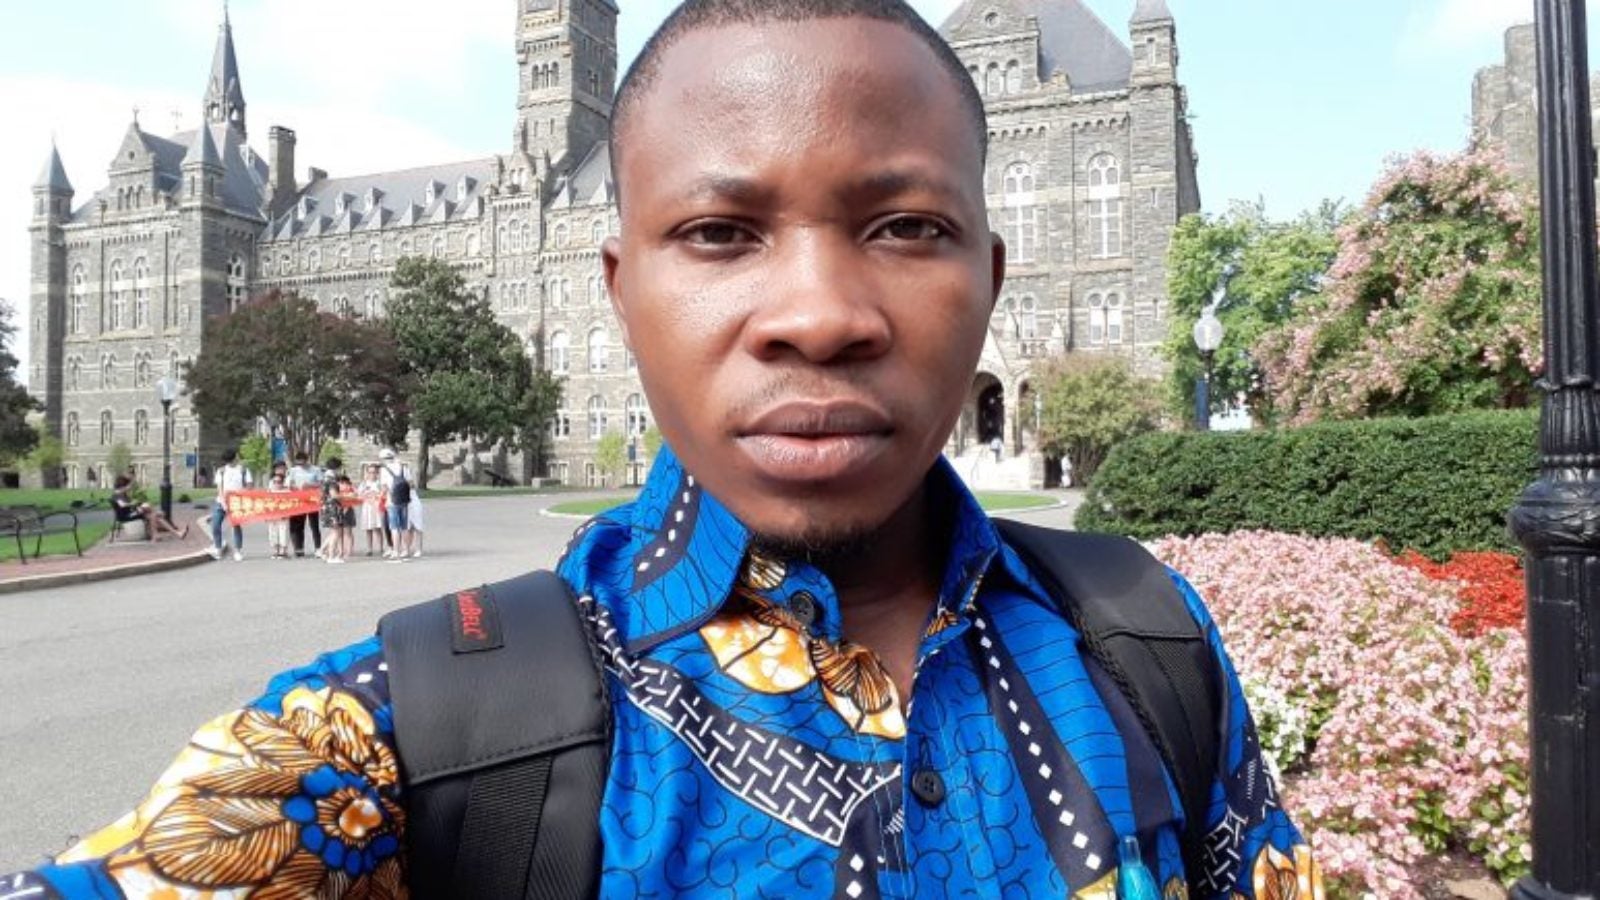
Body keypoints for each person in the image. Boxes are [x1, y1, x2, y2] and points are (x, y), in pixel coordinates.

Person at [6, 3, 1318, 897]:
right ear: (620, 287)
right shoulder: (421, 727)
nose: (817, 315)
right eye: (722, 232)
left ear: (990, 278)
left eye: (904, 225)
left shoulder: (1148, 647)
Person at [110, 475, 187, 541]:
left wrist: (137, 504)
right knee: (153, 513)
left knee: (156, 516)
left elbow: (129, 505)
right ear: (124, 486)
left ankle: (176, 533)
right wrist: (133, 504)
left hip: (131, 513)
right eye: (129, 485)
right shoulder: (116, 495)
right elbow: (122, 505)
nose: (130, 487)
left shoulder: (122, 494)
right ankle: (157, 534)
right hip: (126, 516)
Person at [207, 446, 250, 561]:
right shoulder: (221, 471)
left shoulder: (243, 470)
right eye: (237, 455)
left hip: (236, 502)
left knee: (236, 526)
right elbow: (220, 488)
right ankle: (218, 548)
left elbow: (249, 486)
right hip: (221, 502)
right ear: (234, 457)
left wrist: (242, 496)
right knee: (215, 524)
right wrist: (224, 503)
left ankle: (237, 551)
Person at [377, 447, 414, 562]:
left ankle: (396, 552)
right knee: (404, 526)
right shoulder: (403, 467)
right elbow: (411, 484)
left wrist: (379, 497)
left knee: (394, 527)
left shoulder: (384, 470)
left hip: (392, 500)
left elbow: (384, 488)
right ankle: (406, 551)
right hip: (404, 500)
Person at [286, 451, 324, 558]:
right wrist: (293, 486)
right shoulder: (293, 470)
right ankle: (299, 548)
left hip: (312, 500)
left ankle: (318, 548)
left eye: (303, 463)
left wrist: (311, 485)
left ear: (307, 460)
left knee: (314, 525)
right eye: (299, 463)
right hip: (299, 500)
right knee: (299, 525)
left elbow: (321, 483)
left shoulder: (315, 470)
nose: (301, 465)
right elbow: (290, 483)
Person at [357, 463, 386, 557]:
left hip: (376, 507)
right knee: (368, 528)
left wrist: (376, 496)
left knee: (377, 528)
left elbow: (383, 494)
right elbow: (359, 494)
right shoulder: (364, 483)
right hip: (367, 507)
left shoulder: (379, 483)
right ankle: (369, 548)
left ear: (377, 473)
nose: (372, 474)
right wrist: (365, 495)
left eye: (374, 472)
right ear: (367, 473)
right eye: (370, 472)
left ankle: (381, 548)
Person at [265, 469, 292, 559]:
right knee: (273, 533)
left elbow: (292, 503)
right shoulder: (269, 492)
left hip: (283, 516)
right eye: (275, 482)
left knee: (283, 532)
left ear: (283, 482)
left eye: (279, 482)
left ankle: (283, 551)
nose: (277, 484)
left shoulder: (287, 491)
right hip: (272, 516)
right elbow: (264, 504)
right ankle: (276, 551)